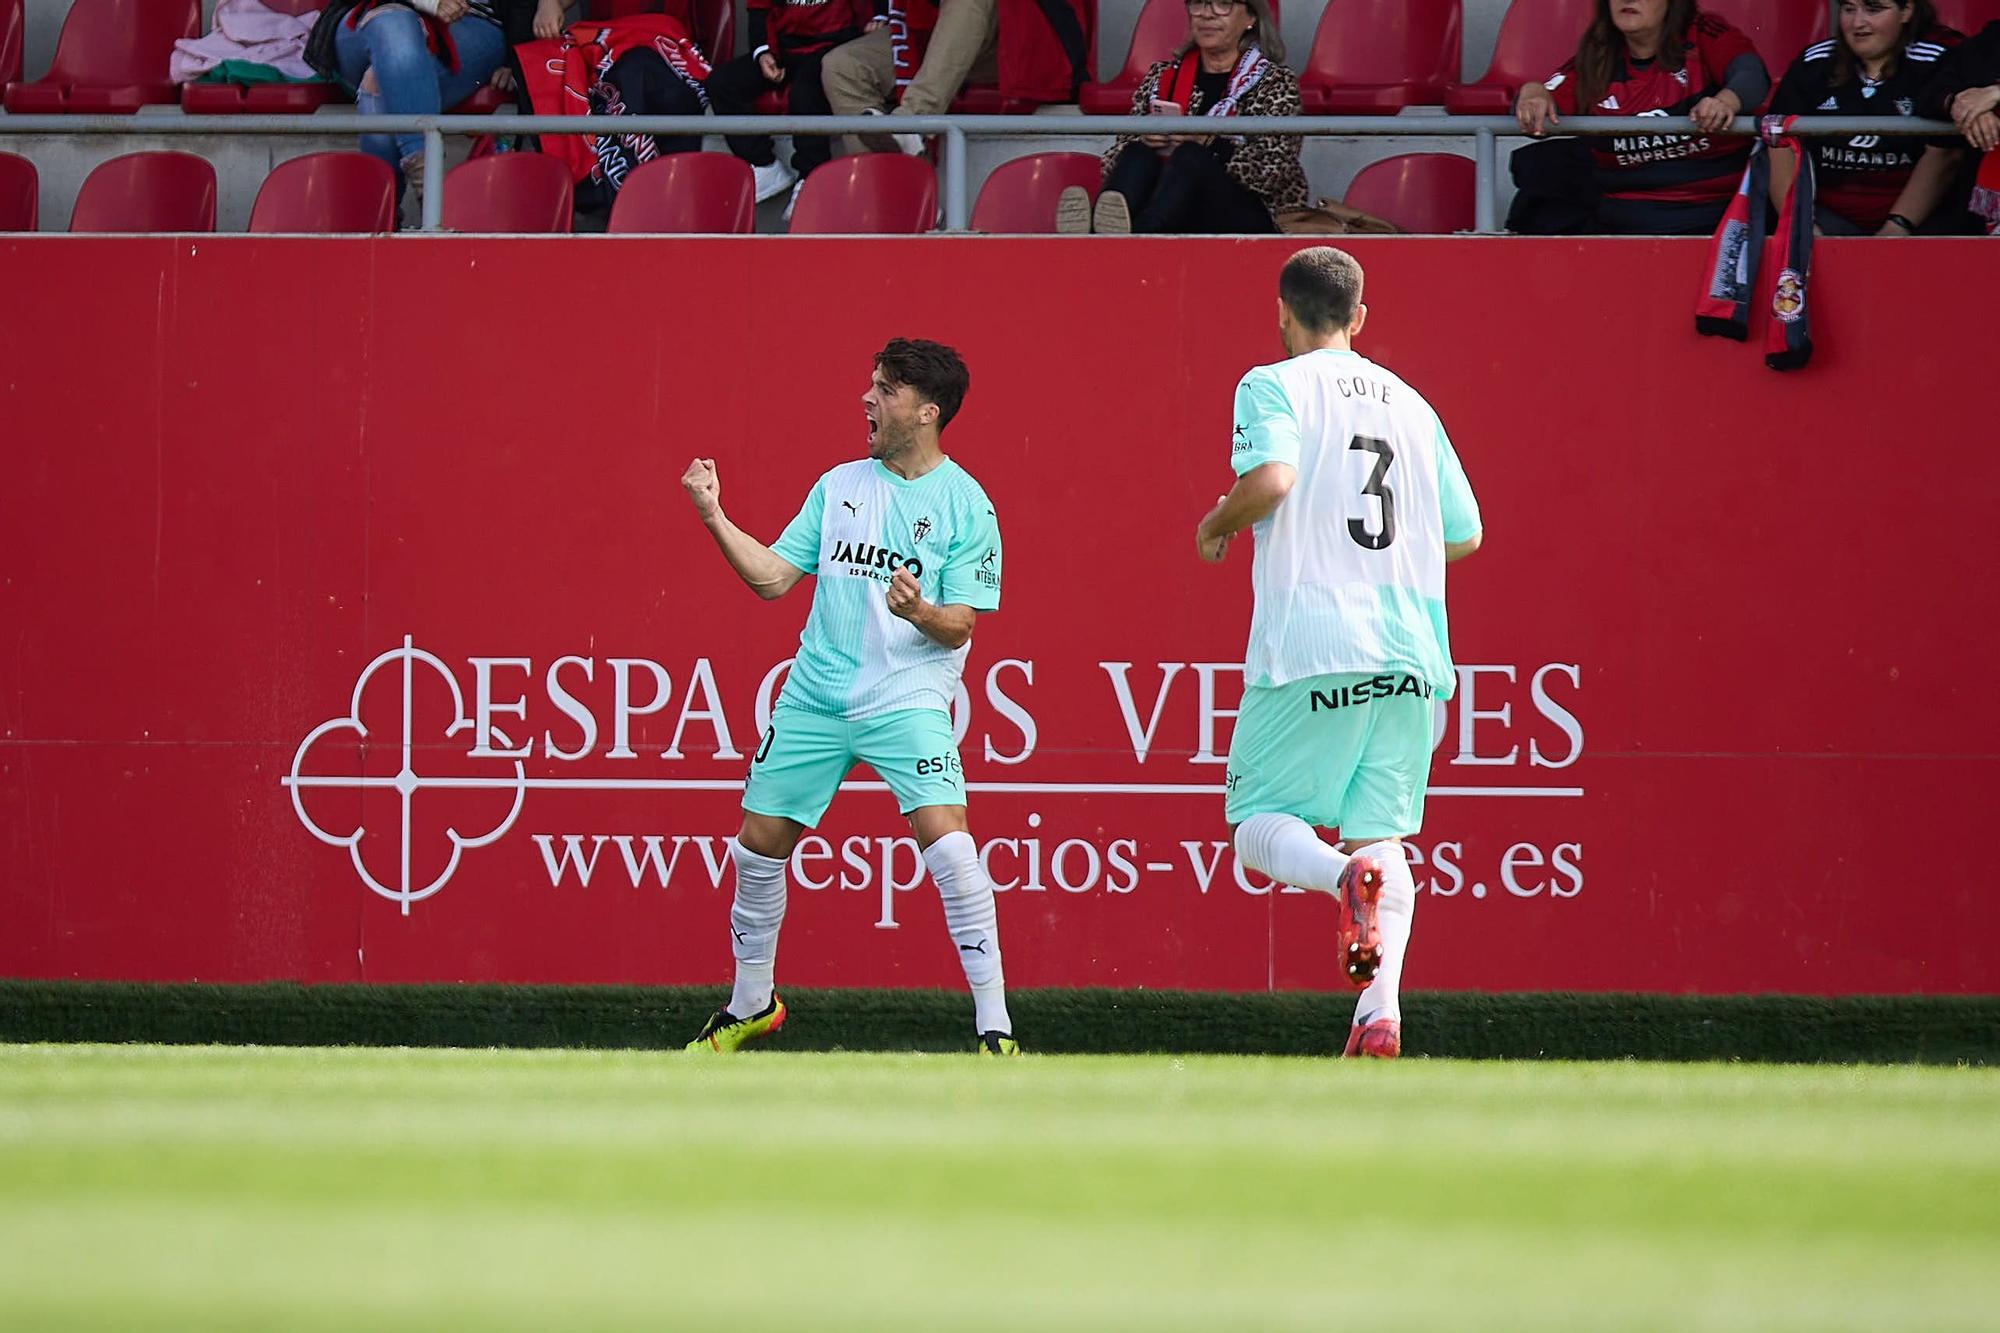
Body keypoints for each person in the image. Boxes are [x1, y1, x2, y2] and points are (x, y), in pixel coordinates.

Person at [679, 339, 1019, 1056]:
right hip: (815, 698)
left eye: (886, 389)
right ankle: (751, 1004)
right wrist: (713, 513)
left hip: (908, 699)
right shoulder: (839, 485)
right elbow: (773, 578)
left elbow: (962, 622)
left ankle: (995, 1029)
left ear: (928, 412)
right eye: (871, 384)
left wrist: (920, 612)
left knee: (952, 848)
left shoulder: (967, 504)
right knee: (756, 849)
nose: (868, 399)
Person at [1194, 248, 1483, 1060]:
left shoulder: (1272, 383)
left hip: (1314, 637)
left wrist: (1218, 522)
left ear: (1284, 315)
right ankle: (1379, 1013)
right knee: (1380, 834)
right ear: (1359, 317)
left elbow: (1275, 480)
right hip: (1414, 651)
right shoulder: (1415, 406)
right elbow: (1464, 534)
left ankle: (1335, 883)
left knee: (1255, 822)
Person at [1514, 0, 1770, 234]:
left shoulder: (1703, 34)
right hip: (1627, 217)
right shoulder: (1597, 57)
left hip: (1713, 214)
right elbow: (1543, 101)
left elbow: (1752, 75)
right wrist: (1532, 93)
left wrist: (1726, 101)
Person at [1058, 0, 1303, 234]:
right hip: (1169, 200)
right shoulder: (1162, 76)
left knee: (1191, 157)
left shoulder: (1274, 82)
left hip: (1242, 211)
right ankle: (1104, 229)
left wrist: (1209, 142)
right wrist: (1147, 140)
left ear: (1251, 17)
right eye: (1198, 3)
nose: (1207, 14)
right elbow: (1112, 160)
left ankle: (1131, 233)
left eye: (1223, 4)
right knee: (1137, 153)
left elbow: (1273, 170)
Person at [318, 0, 561, 220]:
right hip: (375, 17)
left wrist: (517, 58)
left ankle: (379, 218)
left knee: (380, 80)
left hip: (470, 25)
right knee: (395, 26)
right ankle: (430, 192)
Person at [1769, 1, 1964, 235]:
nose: (1858, 23)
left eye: (1873, 9)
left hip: (1918, 223)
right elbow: (1778, 140)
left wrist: (1897, 227)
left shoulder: (1935, 62)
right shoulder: (1815, 62)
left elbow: (1945, 152)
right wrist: (1803, 227)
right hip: (1827, 219)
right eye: (1849, 9)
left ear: (1906, 11)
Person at [820, 0, 1089, 156]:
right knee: (844, 66)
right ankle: (885, 194)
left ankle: (913, 121)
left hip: (1024, 37)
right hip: (932, 31)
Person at [705, 0, 884, 206]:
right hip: (785, 48)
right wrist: (763, 53)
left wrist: (878, 18)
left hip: (833, 46)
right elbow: (758, 10)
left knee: (804, 92)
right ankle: (764, 164)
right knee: (722, 83)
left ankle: (811, 178)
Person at [1918, 19, 2000, 232]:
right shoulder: (1991, 40)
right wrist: (1962, 105)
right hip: (1982, 209)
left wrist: (1995, 94)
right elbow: (1931, 92)